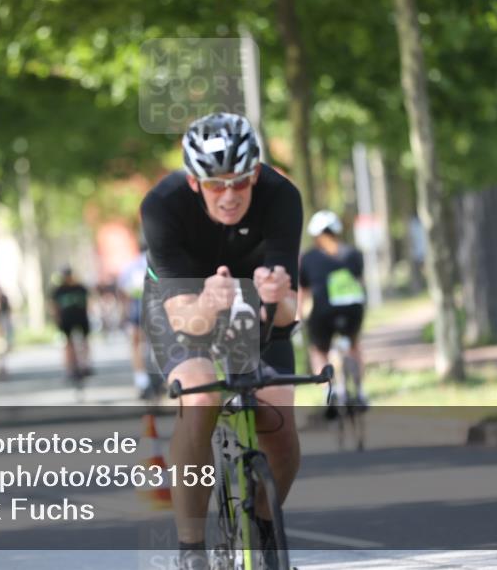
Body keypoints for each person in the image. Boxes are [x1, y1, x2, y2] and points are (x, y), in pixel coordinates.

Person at [140, 112, 302, 570]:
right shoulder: (162, 207)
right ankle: (191, 547)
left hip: (254, 302)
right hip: (185, 303)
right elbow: (186, 320)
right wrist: (209, 304)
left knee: (280, 419)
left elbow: (289, 312)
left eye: (240, 183)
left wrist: (277, 297)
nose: (229, 196)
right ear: (194, 182)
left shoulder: (282, 196)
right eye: (215, 185)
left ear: (255, 175)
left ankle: (265, 528)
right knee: (201, 396)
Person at [299, 210, 368, 408]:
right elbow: (360, 284)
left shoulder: (308, 258)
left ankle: (329, 392)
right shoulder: (353, 254)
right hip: (352, 311)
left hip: (323, 313)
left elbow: (304, 292)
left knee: (318, 350)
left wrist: (299, 317)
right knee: (354, 345)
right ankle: (360, 391)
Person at [118, 237, 157, 400]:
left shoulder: (131, 266)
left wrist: (123, 314)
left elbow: (123, 291)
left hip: (137, 309)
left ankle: (141, 379)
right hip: (156, 309)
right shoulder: (158, 262)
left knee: (135, 344)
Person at [50, 267, 92, 381]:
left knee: (84, 342)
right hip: (66, 319)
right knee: (68, 344)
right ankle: (71, 367)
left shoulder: (80, 288)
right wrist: (56, 318)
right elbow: (54, 306)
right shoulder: (59, 290)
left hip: (81, 318)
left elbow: (89, 301)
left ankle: (84, 364)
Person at [0, 286, 14, 379]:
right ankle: (1, 369)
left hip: (5, 328)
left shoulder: (4, 311)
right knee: (0, 351)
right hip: (0, 331)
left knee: (3, 351)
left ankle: (3, 369)